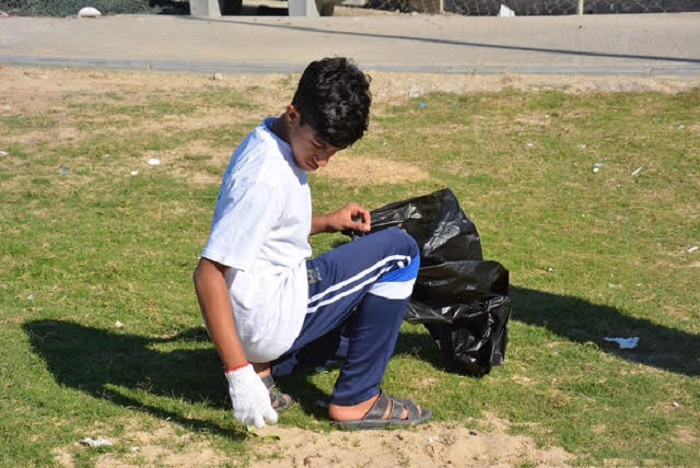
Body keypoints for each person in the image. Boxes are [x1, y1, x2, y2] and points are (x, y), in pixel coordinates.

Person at [193, 57, 431, 430]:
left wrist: (327, 222)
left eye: (332, 153)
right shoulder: (265, 178)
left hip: (255, 318)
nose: (321, 162)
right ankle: (357, 399)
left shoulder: (267, 139)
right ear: (293, 115)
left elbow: (268, 230)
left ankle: (264, 368)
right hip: (266, 320)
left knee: (362, 328)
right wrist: (237, 374)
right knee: (400, 252)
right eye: (318, 146)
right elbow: (207, 273)